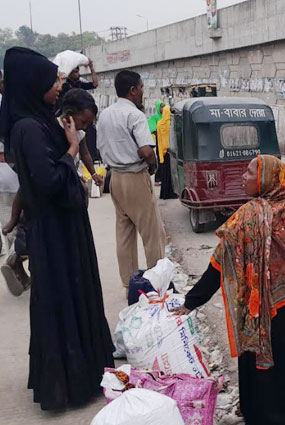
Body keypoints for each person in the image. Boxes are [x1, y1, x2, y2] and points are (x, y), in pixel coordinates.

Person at [173, 155, 285, 425]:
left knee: (267, 375)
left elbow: (219, 264)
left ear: (266, 180)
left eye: (249, 172)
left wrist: (191, 301)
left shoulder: (248, 218)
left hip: (264, 316)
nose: (242, 177)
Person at [0, 47, 114, 410]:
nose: (57, 86)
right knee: (62, 300)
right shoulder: (28, 128)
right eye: (52, 81)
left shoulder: (40, 120)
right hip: (54, 234)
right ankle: (67, 384)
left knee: (76, 296)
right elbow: (47, 182)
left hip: (65, 229)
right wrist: (70, 147)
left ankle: (88, 372)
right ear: (33, 84)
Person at [97, 70, 166, 289]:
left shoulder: (105, 114)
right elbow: (146, 150)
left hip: (115, 177)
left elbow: (100, 147)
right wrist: (153, 165)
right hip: (136, 177)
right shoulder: (135, 115)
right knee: (152, 233)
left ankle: (130, 283)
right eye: (141, 87)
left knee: (124, 232)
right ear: (133, 90)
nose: (143, 92)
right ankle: (157, 282)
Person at [156, 104, 177, 199]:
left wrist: (160, 155)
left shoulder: (160, 124)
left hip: (163, 152)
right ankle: (171, 193)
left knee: (164, 174)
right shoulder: (172, 124)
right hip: (171, 152)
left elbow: (159, 141)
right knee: (171, 174)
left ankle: (164, 194)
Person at [147, 100, 164, 184]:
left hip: (165, 141)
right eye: (161, 106)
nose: (163, 108)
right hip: (159, 141)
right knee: (160, 159)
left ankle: (162, 177)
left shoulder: (165, 116)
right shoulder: (155, 117)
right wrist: (159, 134)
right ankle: (158, 178)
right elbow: (152, 128)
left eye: (164, 106)